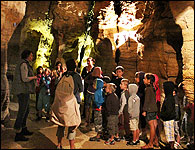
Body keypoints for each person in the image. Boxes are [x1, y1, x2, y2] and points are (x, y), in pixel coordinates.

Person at [50, 59, 81, 149]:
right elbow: (81, 89)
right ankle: (72, 146)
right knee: (72, 124)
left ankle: (59, 144)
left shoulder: (64, 75)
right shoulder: (77, 76)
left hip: (62, 102)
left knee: (61, 123)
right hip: (72, 102)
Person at [12, 50, 37, 141]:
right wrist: (34, 77)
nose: (32, 57)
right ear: (27, 56)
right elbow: (24, 78)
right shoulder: (23, 64)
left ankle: (23, 128)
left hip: (24, 90)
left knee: (26, 110)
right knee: (22, 111)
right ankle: (18, 133)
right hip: (22, 91)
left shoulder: (24, 64)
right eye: (31, 55)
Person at [141, 73, 158, 149]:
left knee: (151, 126)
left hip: (150, 109)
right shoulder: (153, 88)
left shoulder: (148, 88)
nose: (143, 80)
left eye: (145, 79)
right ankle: (155, 141)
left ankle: (150, 143)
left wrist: (144, 110)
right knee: (154, 125)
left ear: (149, 80)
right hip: (154, 109)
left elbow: (147, 100)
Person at [160, 81, 176, 149]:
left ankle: (171, 146)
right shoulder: (168, 97)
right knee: (168, 134)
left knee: (170, 134)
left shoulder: (169, 99)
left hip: (169, 119)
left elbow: (168, 110)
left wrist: (163, 115)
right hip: (167, 118)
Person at [89, 77, 104, 142]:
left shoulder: (96, 92)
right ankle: (100, 134)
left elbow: (96, 100)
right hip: (101, 108)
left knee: (97, 121)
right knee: (100, 121)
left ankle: (98, 136)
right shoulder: (102, 91)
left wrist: (98, 105)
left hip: (97, 108)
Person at [135, 71, 148, 142]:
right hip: (139, 105)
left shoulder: (142, 87)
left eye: (137, 77)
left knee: (143, 120)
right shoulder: (139, 86)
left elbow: (142, 96)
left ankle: (144, 133)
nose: (135, 79)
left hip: (142, 105)